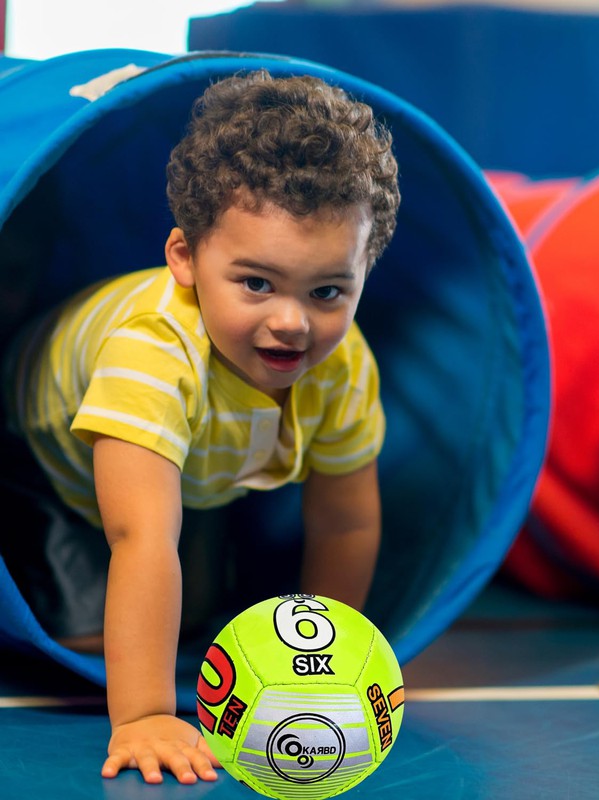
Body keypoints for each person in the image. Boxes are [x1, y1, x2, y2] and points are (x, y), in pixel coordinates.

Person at [0, 69, 400, 784]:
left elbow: (345, 523)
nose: (291, 321)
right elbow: (141, 537)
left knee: (200, 618)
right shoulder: (152, 355)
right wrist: (146, 713)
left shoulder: (343, 366)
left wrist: (329, 666)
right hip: (43, 460)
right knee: (102, 634)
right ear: (185, 257)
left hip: (199, 470)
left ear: (364, 272)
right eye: (256, 283)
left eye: (328, 291)